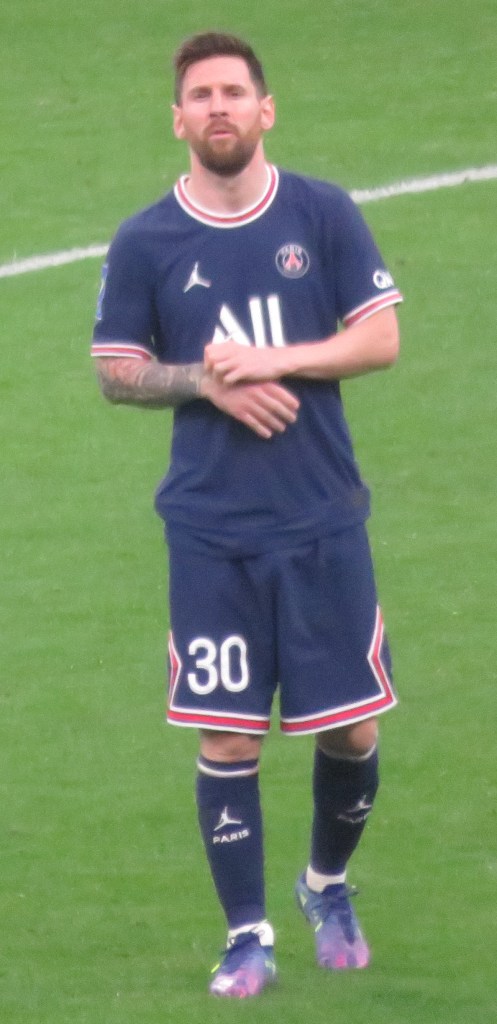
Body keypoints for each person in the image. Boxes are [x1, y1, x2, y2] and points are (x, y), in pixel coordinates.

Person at [91, 31, 402, 998]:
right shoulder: (145, 241)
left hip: (321, 517)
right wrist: (205, 383)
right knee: (227, 738)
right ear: (177, 120)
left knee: (350, 733)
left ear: (265, 110)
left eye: (233, 91)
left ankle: (326, 885)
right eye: (200, 95)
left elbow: (380, 337)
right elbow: (116, 370)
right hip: (211, 531)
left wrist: (276, 361)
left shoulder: (322, 211)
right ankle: (246, 935)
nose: (217, 107)